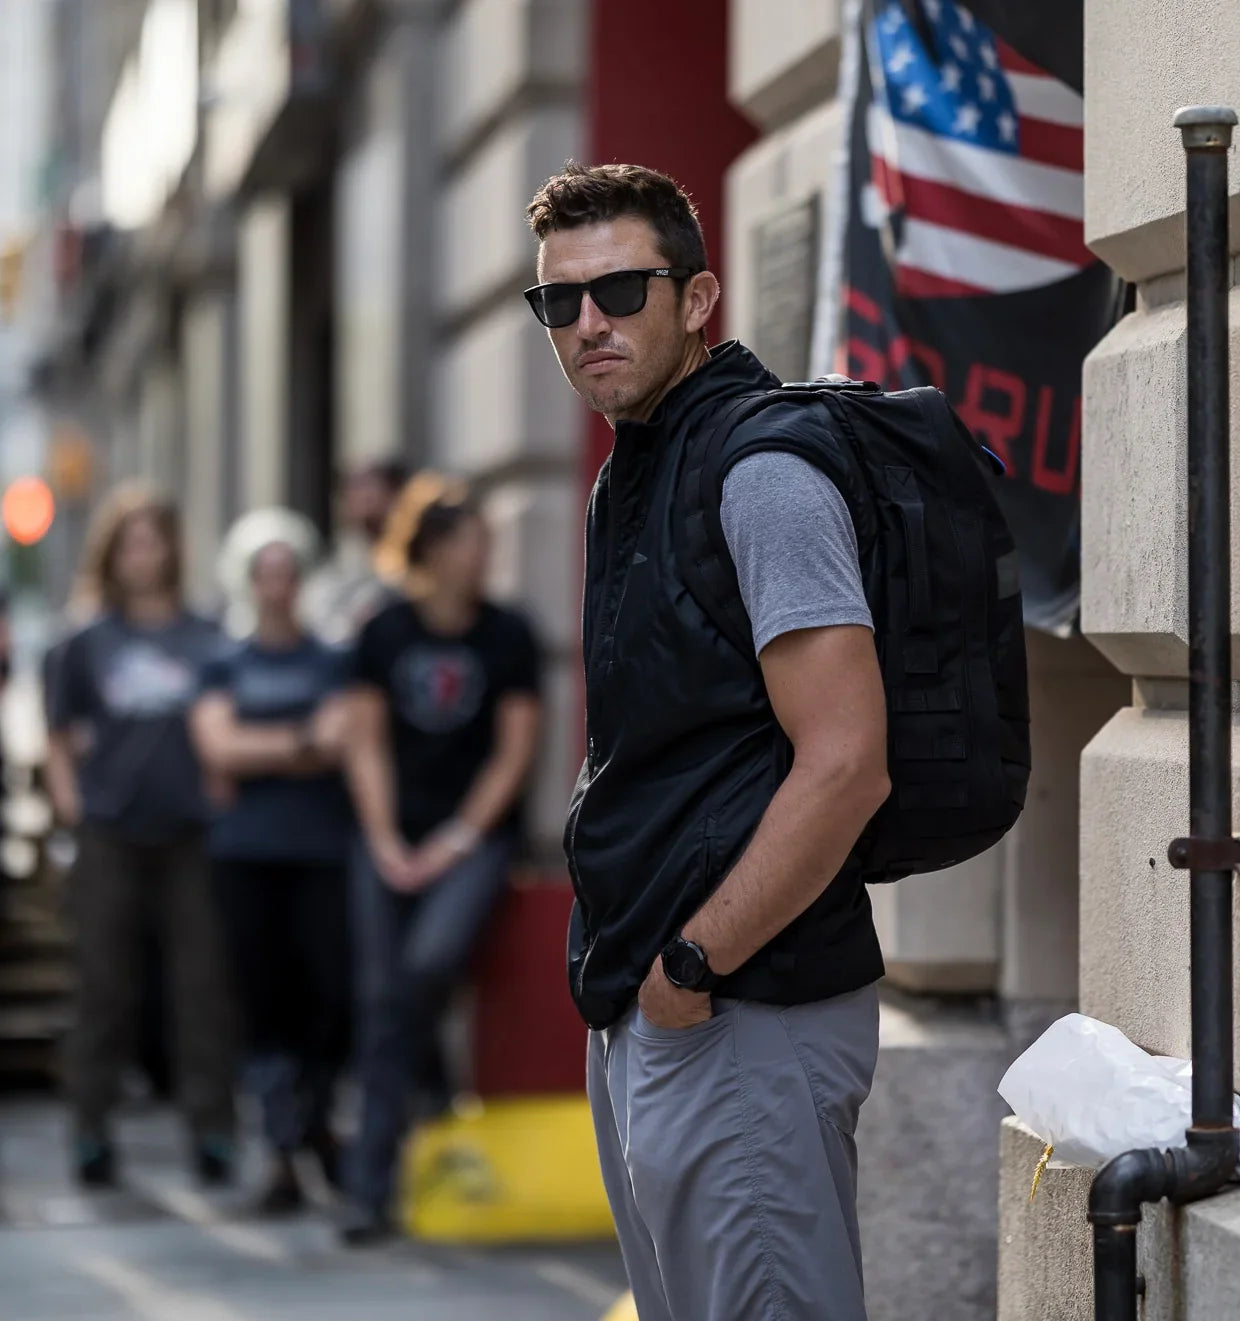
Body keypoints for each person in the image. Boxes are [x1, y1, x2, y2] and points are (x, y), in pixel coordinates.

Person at [524, 163, 891, 1321]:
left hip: (744, 1011)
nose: (589, 323)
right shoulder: (633, 471)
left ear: (697, 299)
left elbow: (846, 763)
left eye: (622, 290)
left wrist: (691, 968)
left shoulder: (762, 472)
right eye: (559, 303)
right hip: (662, 1004)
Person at [337, 495, 542, 1244]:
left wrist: (455, 839)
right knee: (380, 997)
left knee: (424, 966)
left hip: (472, 839)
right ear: (430, 550)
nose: (482, 555)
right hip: (387, 835)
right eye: (469, 542)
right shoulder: (383, 631)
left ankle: (423, 1101)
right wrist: (387, 840)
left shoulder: (508, 632)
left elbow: (515, 752)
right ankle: (367, 1188)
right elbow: (364, 743)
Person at [45, 486, 235, 1188]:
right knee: (104, 988)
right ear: (112, 553)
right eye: (129, 541)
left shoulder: (205, 633)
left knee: (202, 988)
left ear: (171, 549)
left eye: (153, 539)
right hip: (110, 833)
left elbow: (226, 720)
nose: (142, 553)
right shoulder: (83, 642)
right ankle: (90, 1131)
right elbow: (59, 736)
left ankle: (213, 1131)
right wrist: (73, 806)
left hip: (191, 832)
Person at [190, 519, 351, 1215]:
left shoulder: (332, 659)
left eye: (289, 571)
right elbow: (218, 747)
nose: (278, 586)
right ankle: (282, 1148)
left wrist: (264, 748)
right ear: (248, 581)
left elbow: (344, 737)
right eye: (266, 572)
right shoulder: (222, 661)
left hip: (319, 850)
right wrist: (302, 743)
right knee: (262, 1006)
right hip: (244, 855)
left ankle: (313, 1122)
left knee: (325, 998)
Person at [302, 460, 411, 645]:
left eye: (371, 486)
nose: (364, 496)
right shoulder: (333, 572)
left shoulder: (417, 560)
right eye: (354, 488)